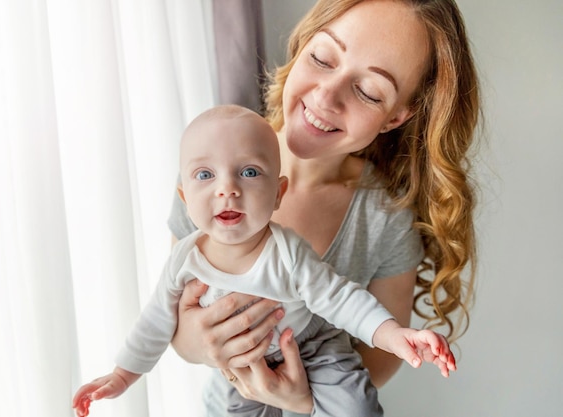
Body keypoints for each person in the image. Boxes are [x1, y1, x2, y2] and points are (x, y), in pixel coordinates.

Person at [169, 0, 481, 415]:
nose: (326, 96)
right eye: (322, 58)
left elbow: (383, 358)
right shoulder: (210, 169)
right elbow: (174, 312)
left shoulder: (385, 218)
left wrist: (304, 402)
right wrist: (190, 343)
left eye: (369, 92)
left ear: (395, 118)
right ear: (302, 45)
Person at [72, 105, 457, 417]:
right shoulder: (185, 259)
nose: (227, 188)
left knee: (356, 408)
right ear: (185, 199)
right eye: (205, 175)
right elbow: (158, 319)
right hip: (241, 370)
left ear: (278, 194)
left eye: (250, 172)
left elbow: (339, 298)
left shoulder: (286, 250)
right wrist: (122, 376)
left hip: (311, 347)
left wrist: (393, 335)